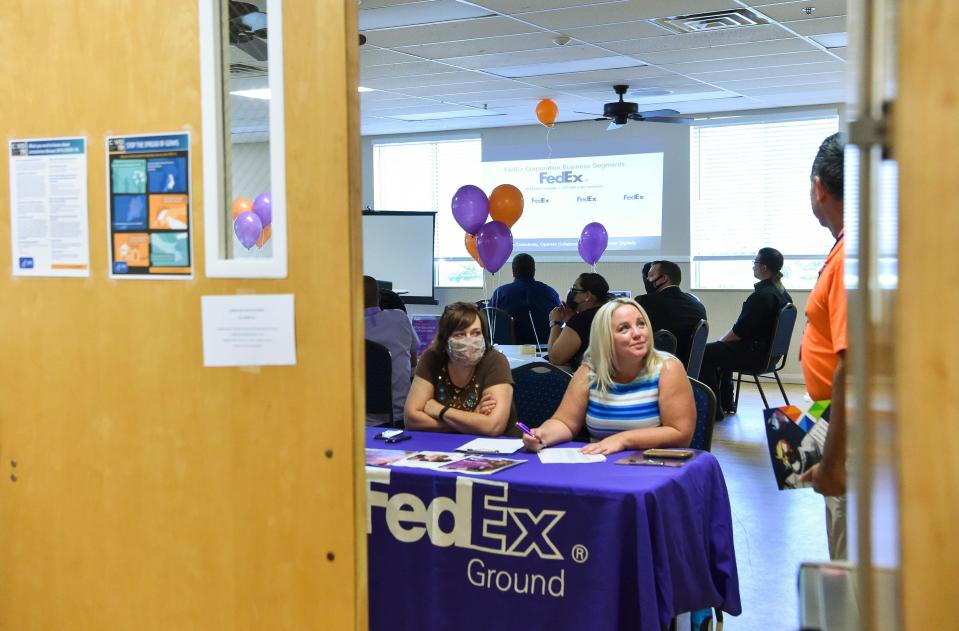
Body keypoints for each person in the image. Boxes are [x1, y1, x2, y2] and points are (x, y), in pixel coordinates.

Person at [523, 298, 695, 454]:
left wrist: (623, 440)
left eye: (641, 324)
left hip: (652, 467)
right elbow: (565, 423)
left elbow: (680, 434)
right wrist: (542, 435)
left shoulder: (667, 369)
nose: (637, 333)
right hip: (602, 467)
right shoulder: (589, 371)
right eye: (624, 328)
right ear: (605, 338)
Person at [798, 132, 848, 561]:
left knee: (848, 551)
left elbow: (853, 364)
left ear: (820, 187)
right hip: (831, 414)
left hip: (850, 431)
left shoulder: (852, 255)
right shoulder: (847, 248)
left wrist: (834, 464)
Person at [698, 247, 793, 418]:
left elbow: (739, 332)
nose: (753, 266)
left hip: (755, 356)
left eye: (755, 262)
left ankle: (713, 410)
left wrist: (721, 342)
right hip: (770, 356)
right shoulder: (783, 294)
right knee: (721, 350)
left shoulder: (762, 296)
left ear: (763, 267)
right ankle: (726, 404)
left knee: (707, 352)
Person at [404, 302, 518, 436]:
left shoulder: (495, 361)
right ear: (445, 340)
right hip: (442, 446)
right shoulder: (432, 358)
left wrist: (441, 411)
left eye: (476, 333)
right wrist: (471, 419)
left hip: (497, 447)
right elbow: (411, 420)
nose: (469, 340)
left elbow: (493, 426)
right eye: (460, 334)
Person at [363, 276, 418, 426]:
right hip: (400, 416)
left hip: (358, 420)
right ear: (378, 297)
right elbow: (413, 361)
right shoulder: (399, 318)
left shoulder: (344, 328)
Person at [638, 260, 707, 366]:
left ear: (664, 278)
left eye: (651, 275)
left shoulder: (644, 302)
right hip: (688, 369)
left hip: (654, 368)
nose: (647, 279)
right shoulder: (697, 303)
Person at [488, 253, 560, 346]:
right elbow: (559, 319)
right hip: (545, 349)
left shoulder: (500, 293)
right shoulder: (550, 292)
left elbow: (489, 320)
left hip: (509, 350)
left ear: (513, 272)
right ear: (534, 271)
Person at [546, 272, 610, 369]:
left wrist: (555, 322)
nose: (572, 293)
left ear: (587, 295)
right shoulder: (609, 313)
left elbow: (555, 358)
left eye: (575, 290)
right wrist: (571, 320)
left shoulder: (581, 321)